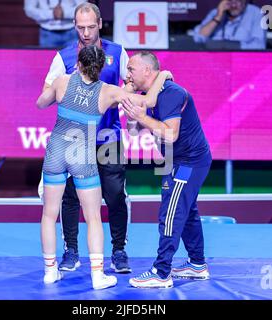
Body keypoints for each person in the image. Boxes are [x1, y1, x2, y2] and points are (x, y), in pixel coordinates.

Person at [36, 45, 171, 289]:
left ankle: (49, 272)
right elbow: (148, 99)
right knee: (94, 216)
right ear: (101, 68)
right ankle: (98, 276)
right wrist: (162, 74)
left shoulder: (61, 81)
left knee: (49, 214)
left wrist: (56, 93)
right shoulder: (107, 92)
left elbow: (40, 103)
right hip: (82, 155)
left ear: (78, 64)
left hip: (56, 150)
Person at [37, 2, 132, 274]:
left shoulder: (117, 52)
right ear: (74, 26)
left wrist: (116, 101)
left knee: (114, 195)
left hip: (108, 138)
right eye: (81, 27)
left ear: (100, 23)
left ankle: (119, 250)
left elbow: (132, 83)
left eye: (91, 26)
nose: (87, 32)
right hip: (74, 142)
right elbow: (47, 91)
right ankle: (71, 251)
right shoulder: (63, 58)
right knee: (69, 198)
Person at [122, 51, 212, 288]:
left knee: (171, 213)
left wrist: (142, 115)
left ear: (148, 72)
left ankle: (161, 273)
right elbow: (133, 131)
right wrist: (132, 105)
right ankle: (197, 265)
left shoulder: (172, 93)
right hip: (174, 160)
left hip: (189, 161)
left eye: (131, 69)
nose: (127, 74)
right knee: (188, 211)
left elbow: (170, 134)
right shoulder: (146, 96)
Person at [192, 0, 266, 50]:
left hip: (242, 61)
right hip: (215, 61)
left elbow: (259, 45)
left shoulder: (256, 13)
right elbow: (198, 38)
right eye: (230, 1)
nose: (233, 5)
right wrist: (218, 17)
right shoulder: (216, 13)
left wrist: (229, 45)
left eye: (237, 1)